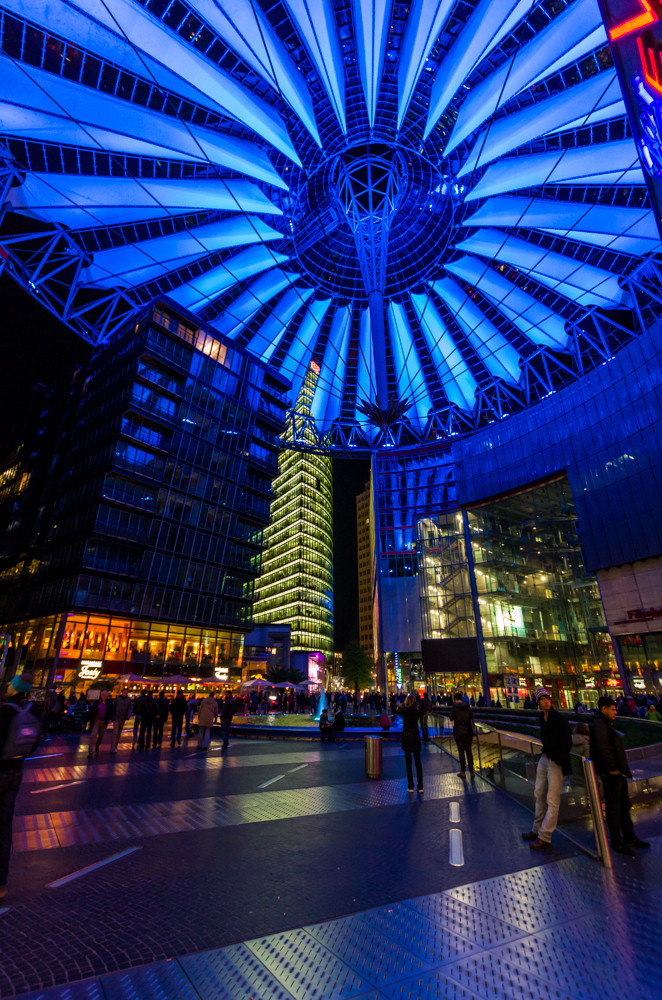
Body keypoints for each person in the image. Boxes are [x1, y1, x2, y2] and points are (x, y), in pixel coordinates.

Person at [590, 696, 650, 856]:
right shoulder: (599, 724)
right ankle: (617, 841)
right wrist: (611, 768)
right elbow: (603, 747)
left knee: (624, 806)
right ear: (603, 709)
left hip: (617, 772)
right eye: (612, 709)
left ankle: (630, 837)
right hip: (612, 773)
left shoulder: (605, 724)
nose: (616, 711)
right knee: (614, 807)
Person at [0, 672, 40, 901]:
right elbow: (33, 744)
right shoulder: (33, 711)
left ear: (15, 688)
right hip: (16, 772)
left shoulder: (5, 711)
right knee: (4, 827)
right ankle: (1, 885)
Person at [521, 686, 572, 851]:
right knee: (539, 793)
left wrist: (557, 758)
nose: (546, 701)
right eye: (543, 699)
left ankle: (545, 836)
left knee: (552, 799)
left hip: (555, 761)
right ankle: (536, 830)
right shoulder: (542, 718)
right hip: (545, 758)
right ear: (538, 702)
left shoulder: (559, 718)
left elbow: (566, 742)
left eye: (548, 698)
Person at [397, 694, 423, 794]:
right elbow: (421, 713)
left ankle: (410, 785)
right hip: (415, 736)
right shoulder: (416, 710)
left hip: (407, 736)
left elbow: (397, 711)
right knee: (418, 762)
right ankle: (420, 786)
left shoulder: (404, 710)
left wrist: (404, 704)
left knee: (408, 763)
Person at [450, 692, 475, 778]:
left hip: (459, 732)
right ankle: (472, 771)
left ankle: (463, 771)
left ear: (455, 699)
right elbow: (472, 719)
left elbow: (451, 718)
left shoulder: (454, 708)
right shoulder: (468, 707)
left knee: (461, 752)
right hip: (468, 732)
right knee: (469, 751)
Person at [87, 690, 114, 757]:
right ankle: (90, 752)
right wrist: (87, 720)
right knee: (93, 735)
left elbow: (111, 712)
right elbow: (92, 711)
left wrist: (110, 719)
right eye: (103, 695)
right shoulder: (97, 702)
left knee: (101, 736)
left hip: (104, 721)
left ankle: (97, 745)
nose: (104, 696)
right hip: (96, 720)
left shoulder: (109, 703)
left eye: (105, 695)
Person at [110, 687, 132, 752]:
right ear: (122, 692)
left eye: (126, 692)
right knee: (115, 732)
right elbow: (113, 707)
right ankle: (113, 747)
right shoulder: (118, 698)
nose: (125, 693)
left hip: (122, 718)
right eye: (124, 692)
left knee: (119, 732)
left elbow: (130, 708)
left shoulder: (128, 700)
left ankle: (115, 746)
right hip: (116, 717)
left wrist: (127, 716)